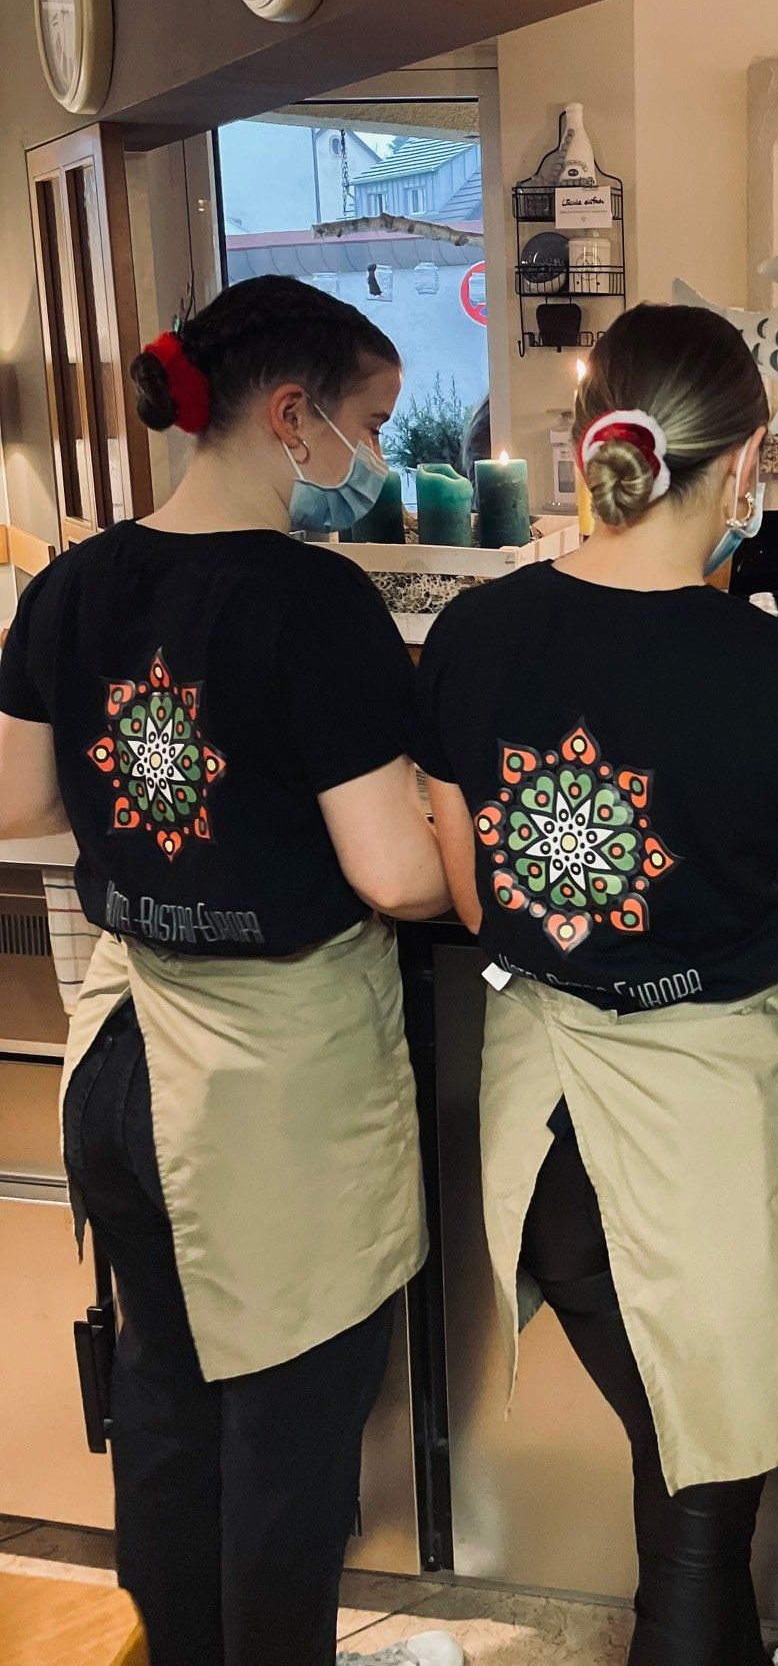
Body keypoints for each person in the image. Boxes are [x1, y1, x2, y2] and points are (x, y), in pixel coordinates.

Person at [414, 302, 778, 1666]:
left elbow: (476, 900)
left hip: (550, 1155)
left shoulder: (473, 636)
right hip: (703, 1160)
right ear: (747, 464)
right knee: (699, 1521)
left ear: (591, 444)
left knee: (682, 1486)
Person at [0, 277, 460, 1666]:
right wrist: (458, 838)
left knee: (166, 1404)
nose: (374, 456)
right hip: (271, 1091)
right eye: (372, 422)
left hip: (119, 1060)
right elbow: (393, 875)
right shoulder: (314, 604)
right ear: (292, 416)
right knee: (286, 1436)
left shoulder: (70, 583)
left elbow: (14, 798)